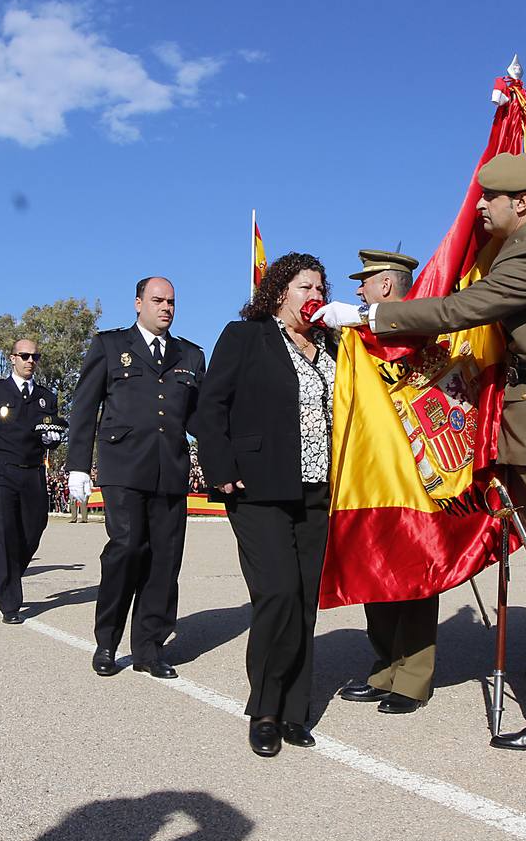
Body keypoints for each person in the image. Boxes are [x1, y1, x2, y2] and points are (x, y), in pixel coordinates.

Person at [314, 152, 526, 775]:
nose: (480, 210)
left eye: (489, 200)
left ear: (522, 202)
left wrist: (370, 316)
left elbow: (461, 310)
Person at [193, 253, 336, 758]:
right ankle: (266, 709)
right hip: (258, 487)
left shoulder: (334, 346)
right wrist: (220, 466)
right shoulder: (246, 335)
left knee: (302, 602)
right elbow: (211, 406)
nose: (314, 294)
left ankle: (296, 710)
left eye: (320, 286)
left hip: (320, 491)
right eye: (304, 285)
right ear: (279, 292)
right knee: (276, 593)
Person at [67, 276, 207, 680]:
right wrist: (78, 465)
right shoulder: (110, 346)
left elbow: (200, 418)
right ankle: (107, 640)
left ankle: (149, 647)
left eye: (172, 302)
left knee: (164, 560)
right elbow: (84, 406)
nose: (166, 308)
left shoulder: (190, 355)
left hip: (171, 470)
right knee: (126, 548)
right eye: (158, 300)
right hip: (123, 466)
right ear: (137, 303)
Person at [333, 248, 439, 716]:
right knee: (374, 572)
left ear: (388, 287)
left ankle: (412, 679)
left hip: (417, 477)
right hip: (371, 475)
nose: (358, 289)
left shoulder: (421, 330)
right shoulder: (359, 337)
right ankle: (383, 669)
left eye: (367, 281)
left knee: (414, 576)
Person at [0, 339, 63, 623]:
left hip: (32, 472)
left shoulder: (46, 397)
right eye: (25, 356)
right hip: (0, 471)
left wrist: (52, 440)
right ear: (12, 358)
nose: (30, 360)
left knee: (34, 527)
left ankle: (8, 572)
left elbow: (52, 431)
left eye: (35, 356)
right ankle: (9, 603)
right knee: (3, 532)